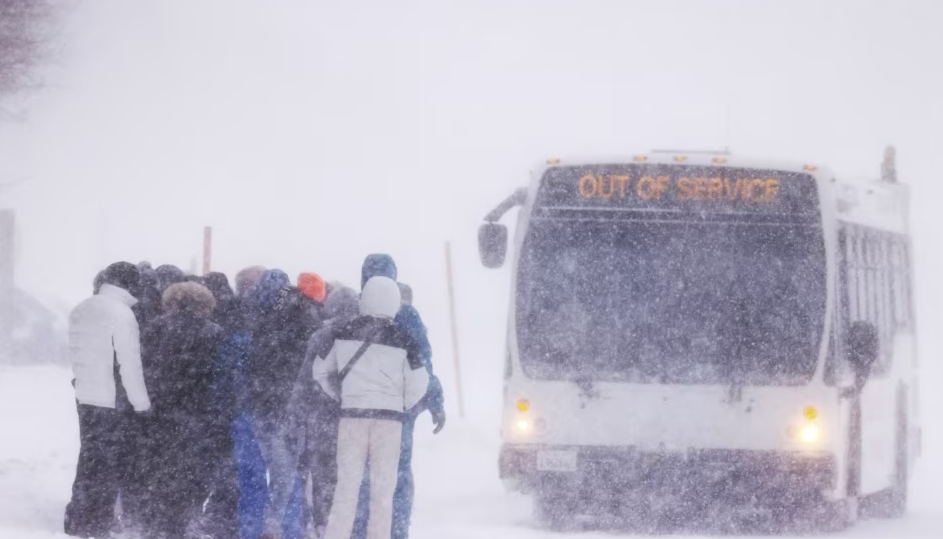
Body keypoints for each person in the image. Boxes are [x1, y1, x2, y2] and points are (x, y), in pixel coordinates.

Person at [313, 276, 429, 539]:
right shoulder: (404, 337)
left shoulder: (343, 332)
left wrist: (341, 395)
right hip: (389, 422)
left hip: (352, 417)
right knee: (382, 492)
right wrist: (401, 404)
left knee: (346, 487)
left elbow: (320, 371)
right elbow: (420, 382)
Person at [353, 254, 445, 539]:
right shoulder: (407, 316)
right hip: (398, 413)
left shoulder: (352, 312)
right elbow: (423, 365)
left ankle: (359, 531)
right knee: (397, 475)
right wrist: (434, 402)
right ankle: (395, 531)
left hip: (355, 410)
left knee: (357, 476)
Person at [65, 262, 151, 539]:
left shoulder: (81, 308)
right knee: (110, 465)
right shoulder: (122, 313)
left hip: (85, 396)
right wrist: (141, 404)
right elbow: (130, 364)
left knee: (89, 458)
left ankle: (78, 518)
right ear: (129, 284)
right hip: (114, 399)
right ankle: (98, 523)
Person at [141, 281, 222, 539]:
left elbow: (145, 367)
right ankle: (181, 522)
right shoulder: (214, 332)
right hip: (196, 411)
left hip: (159, 409)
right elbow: (218, 375)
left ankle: (156, 523)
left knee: (159, 467)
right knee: (191, 471)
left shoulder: (154, 328)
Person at [246, 270, 315, 539]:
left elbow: (259, 363)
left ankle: (273, 525)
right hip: (287, 404)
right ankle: (287, 526)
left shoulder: (270, 315)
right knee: (290, 471)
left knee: (277, 471)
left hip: (271, 404)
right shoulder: (300, 310)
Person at [290, 284, 360, 537]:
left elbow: (306, 378)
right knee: (351, 475)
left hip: (323, 417)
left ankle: (323, 526)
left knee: (323, 476)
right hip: (357, 417)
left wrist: (296, 413)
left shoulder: (321, 336)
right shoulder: (367, 334)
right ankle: (350, 526)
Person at [201, 271, 246, 539]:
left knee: (216, 463)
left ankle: (216, 517)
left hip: (217, 405)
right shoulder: (241, 312)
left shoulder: (215, 320)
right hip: (237, 403)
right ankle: (225, 516)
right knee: (232, 465)